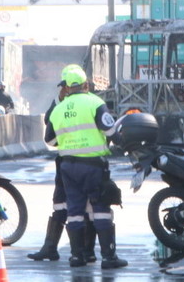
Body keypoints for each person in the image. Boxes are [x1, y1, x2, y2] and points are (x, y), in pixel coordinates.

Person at [45, 64, 126, 268]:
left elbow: (51, 141)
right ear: (86, 84)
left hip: (68, 168)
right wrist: (125, 143)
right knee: (100, 209)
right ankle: (108, 257)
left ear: (66, 87)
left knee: (74, 210)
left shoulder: (58, 109)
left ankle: (76, 256)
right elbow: (110, 131)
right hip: (93, 166)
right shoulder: (95, 103)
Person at [28, 80, 97, 263]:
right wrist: (60, 103)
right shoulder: (60, 105)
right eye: (62, 88)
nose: (64, 91)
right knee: (60, 203)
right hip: (66, 161)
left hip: (87, 161)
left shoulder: (90, 102)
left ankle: (86, 250)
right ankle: (50, 247)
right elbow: (48, 123)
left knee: (88, 207)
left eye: (66, 87)